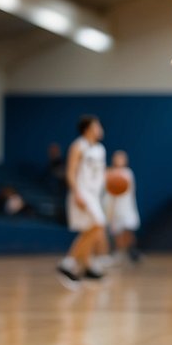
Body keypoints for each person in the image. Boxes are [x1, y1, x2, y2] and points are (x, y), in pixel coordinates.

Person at [58, 115, 107, 286]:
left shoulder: (100, 149)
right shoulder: (78, 146)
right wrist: (76, 192)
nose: (101, 128)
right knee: (98, 225)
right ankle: (68, 262)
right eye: (97, 125)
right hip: (82, 192)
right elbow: (70, 172)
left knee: (91, 228)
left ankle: (85, 266)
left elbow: (99, 174)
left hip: (94, 195)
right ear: (88, 129)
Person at [105, 150, 141, 264]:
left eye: (122, 158)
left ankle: (131, 252)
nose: (120, 160)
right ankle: (119, 253)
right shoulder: (110, 173)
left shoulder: (128, 173)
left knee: (128, 230)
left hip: (127, 206)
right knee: (117, 232)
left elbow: (130, 190)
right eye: (117, 158)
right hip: (114, 206)